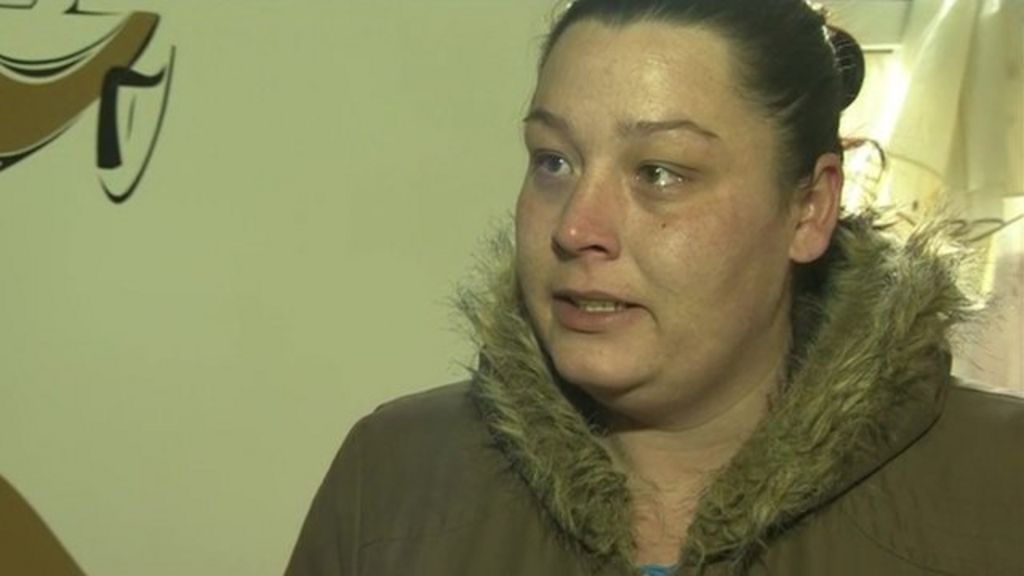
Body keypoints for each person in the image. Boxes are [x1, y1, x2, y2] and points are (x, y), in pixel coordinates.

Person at [284, 1, 1024, 574]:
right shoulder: (393, 478)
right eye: (553, 161)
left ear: (809, 208)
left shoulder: (1000, 485)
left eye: (660, 172)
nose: (577, 227)